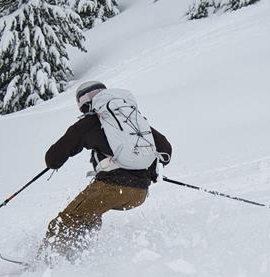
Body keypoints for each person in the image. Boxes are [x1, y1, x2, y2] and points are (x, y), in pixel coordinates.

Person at [39, 81, 172, 260]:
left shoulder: (90, 122)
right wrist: (147, 170)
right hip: (139, 193)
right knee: (89, 215)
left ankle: (43, 263)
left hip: (111, 188)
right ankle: (79, 255)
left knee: (64, 222)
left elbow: (53, 159)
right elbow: (166, 150)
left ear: (83, 102)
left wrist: (55, 162)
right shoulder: (133, 120)